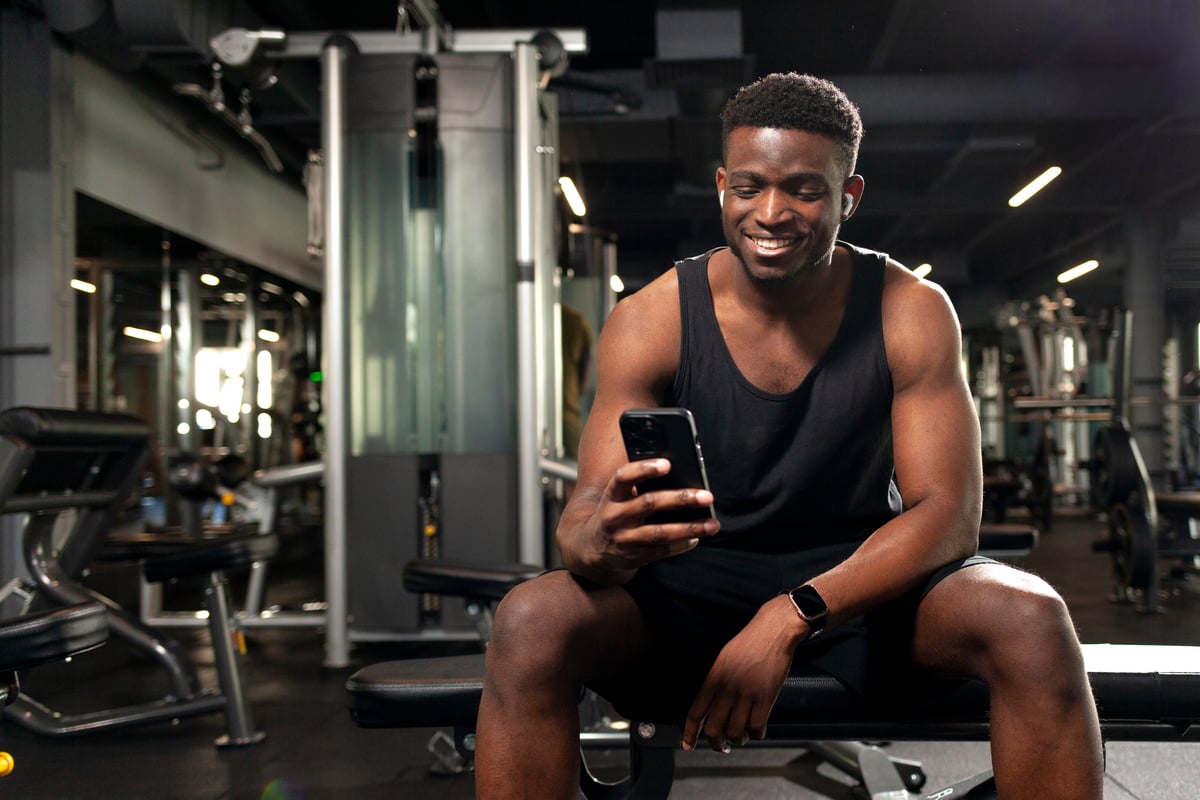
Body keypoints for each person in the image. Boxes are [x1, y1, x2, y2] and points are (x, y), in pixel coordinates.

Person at [475, 72, 1103, 799]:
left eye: (804, 190)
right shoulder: (652, 318)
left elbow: (949, 515)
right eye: (748, 188)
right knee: (530, 619)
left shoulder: (910, 309)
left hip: (856, 585)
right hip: (686, 591)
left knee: (1032, 619)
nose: (770, 212)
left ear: (849, 196)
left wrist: (791, 614)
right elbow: (580, 523)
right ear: (721, 186)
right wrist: (606, 542)